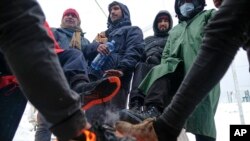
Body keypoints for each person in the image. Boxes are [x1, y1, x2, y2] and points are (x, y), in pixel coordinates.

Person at [116, 0, 250, 141]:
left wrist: (230, 8)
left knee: (203, 121)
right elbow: (167, 55)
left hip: (203, 73)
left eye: (189, 0)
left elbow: (224, 33)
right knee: (164, 71)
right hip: (178, 76)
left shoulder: (207, 16)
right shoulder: (175, 30)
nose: (185, 4)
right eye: (182, 1)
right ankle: (154, 116)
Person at [0, 0, 121, 140]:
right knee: (45, 121)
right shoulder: (53, 31)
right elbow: (33, 39)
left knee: (74, 118)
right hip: (48, 73)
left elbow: (89, 49)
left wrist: (98, 47)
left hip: (72, 77)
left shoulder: (83, 40)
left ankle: (80, 88)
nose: (69, 17)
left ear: (78, 22)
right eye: (67, 15)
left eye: (73, 15)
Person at [85, 1, 144, 124]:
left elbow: (134, 51)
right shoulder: (102, 35)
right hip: (95, 83)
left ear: (124, 13)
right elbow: (86, 51)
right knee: (92, 123)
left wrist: (122, 69)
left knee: (114, 122)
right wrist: (97, 46)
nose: (112, 12)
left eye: (116, 9)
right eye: (111, 10)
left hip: (117, 81)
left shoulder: (133, 30)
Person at [127, 10, 173, 111]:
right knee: (140, 66)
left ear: (169, 24)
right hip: (146, 66)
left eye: (166, 21)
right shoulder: (148, 39)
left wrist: (158, 56)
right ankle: (136, 103)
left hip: (162, 67)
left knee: (159, 69)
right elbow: (139, 53)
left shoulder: (172, 38)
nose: (162, 23)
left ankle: (154, 106)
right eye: (160, 21)